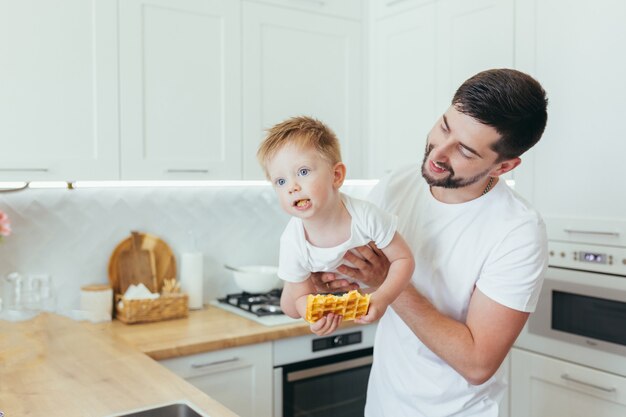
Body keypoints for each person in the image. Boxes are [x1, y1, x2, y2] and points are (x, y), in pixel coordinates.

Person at [311, 68, 549, 416]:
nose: (439, 152)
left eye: (465, 151)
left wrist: (388, 281)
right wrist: (333, 280)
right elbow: (365, 279)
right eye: (444, 126)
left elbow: (477, 363)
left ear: (504, 166)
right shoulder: (399, 183)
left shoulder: (518, 233)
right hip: (383, 404)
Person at [257, 116, 415, 335]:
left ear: (336, 175)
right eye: (280, 181)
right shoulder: (293, 239)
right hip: (319, 291)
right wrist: (314, 316)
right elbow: (300, 299)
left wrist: (383, 298)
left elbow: (403, 259)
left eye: (303, 172)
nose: (292, 187)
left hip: (381, 307)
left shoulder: (365, 216)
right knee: (290, 308)